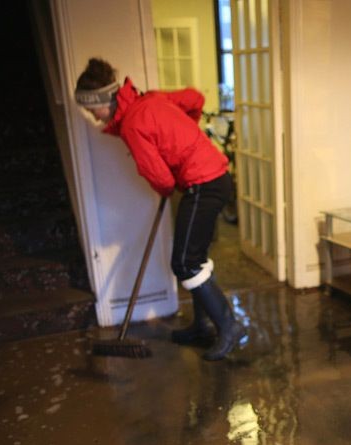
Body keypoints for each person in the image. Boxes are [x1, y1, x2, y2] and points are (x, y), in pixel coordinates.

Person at [74, 58, 245, 361]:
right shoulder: (151, 98)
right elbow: (195, 99)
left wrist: (175, 168)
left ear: (106, 100)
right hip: (214, 179)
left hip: (202, 185)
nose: (92, 115)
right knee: (195, 258)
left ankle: (228, 326)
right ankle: (202, 326)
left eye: (92, 109)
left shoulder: (132, 125)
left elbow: (162, 179)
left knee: (184, 262)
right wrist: (182, 136)